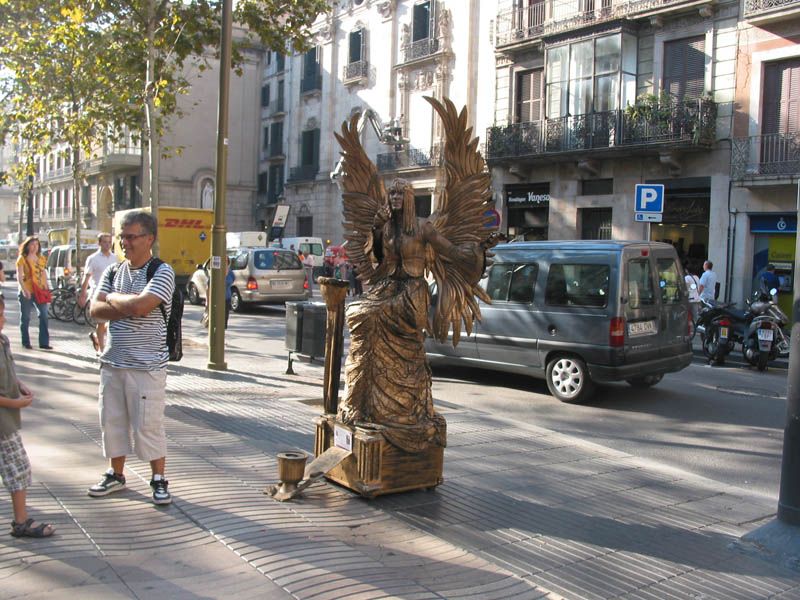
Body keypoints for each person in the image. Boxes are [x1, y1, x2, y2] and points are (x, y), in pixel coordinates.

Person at [87, 211, 176, 505]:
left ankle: (159, 479)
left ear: (149, 238)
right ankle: (116, 474)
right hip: (112, 363)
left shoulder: (162, 271)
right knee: (112, 423)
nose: (124, 242)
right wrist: (128, 304)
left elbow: (141, 307)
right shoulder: (114, 271)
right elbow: (95, 310)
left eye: (130, 236)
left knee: (148, 426)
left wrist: (113, 299)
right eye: (121, 237)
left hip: (146, 367)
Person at [0, 296, 55, 538]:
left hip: (7, 419)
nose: (3, 319)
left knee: (18, 467)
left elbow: (8, 371)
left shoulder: (3, 340)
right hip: (3, 423)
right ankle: (21, 522)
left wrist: (19, 385)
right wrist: (16, 403)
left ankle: (21, 520)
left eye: (2, 314)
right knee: (18, 468)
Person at [78, 233, 119, 352]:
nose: (107, 244)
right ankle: (102, 349)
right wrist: (83, 294)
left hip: (112, 295)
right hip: (98, 295)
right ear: (99, 243)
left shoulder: (115, 258)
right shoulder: (93, 258)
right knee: (101, 322)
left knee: (112, 322)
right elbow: (87, 277)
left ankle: (96, 336)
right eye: (105, 242)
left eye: (109, 242)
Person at [15, 237, 51, 350]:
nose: (35, 247)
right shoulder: (22, 258)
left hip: (40, 291)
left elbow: (43, 273)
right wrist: (24, 290)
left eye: (37, 244)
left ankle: (44, 342)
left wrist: (47, 287)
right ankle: (26, 342)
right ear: (27, 246)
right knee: (25, 317)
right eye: (32, 244)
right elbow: (19, 276)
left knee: (44, 315)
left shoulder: (41, 258)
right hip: (27, 291)